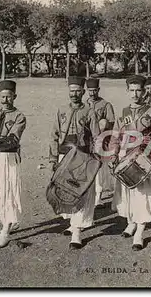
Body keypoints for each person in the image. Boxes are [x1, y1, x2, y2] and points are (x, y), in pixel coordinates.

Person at [109, 75, 151, 251]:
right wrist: (114, 154)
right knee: (127, 192)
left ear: (143, 91)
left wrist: (146, 153)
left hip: (144, 157)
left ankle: (140, 232)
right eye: (131, 90)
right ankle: (130, 222)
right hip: (126, 155)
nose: (135, 94)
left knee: (143, 194)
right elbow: (116, 135)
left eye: (138, 90)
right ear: (127, 91)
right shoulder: (124, 111)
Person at [48, 76, 101, 250]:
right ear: (68, 92)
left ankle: (77, 232)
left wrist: (96, 157)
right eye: (72, 91)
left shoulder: (89, 111)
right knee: (65, 191)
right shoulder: (61, 109)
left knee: (80, 192)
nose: (75, 94)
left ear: (83, 92)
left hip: (82, 157)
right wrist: (53, 159)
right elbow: (54, 135)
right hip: (65, 155)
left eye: (78, 91)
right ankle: (72, 223)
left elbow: (97, 137)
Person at [0, 80, 26, 249]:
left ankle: (5, 232)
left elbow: (14, 138)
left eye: (9, 96)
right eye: (3, 96)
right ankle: (7, 222)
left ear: (14, 96)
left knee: (8, 192)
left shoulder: (19, 116)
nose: (6, 100)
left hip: (8, 158)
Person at [85, 77, 116, 209]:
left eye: (94, 90)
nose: (92, 93)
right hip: (87, 141)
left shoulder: (105, 105)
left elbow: (111, 123)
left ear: (98, 90)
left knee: (98, 170)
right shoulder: (84, 104)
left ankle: (98, 197)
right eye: (89, 91)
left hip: (100, 140)